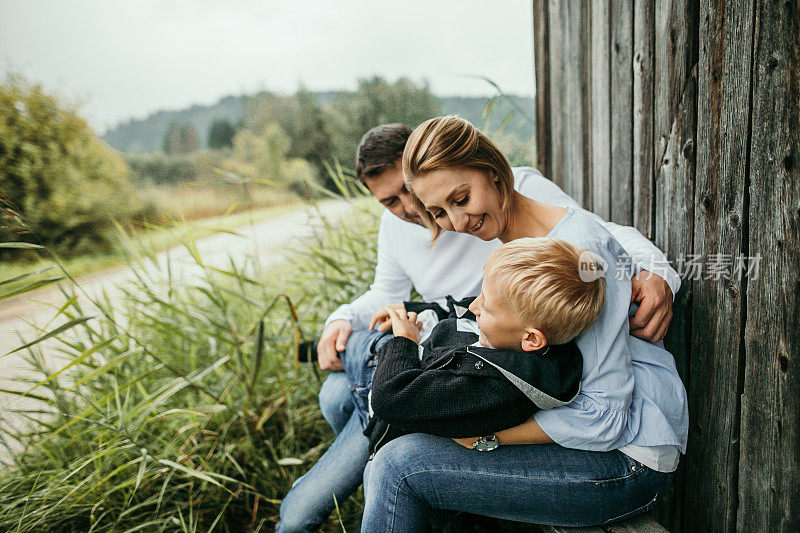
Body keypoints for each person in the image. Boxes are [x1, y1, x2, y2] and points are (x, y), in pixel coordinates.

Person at [276, 124, 681, 531]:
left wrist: (488, 436)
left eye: (460, 198)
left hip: (628, 457)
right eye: (438, 212)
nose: (457, 220)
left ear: (491, 169)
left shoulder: (576, 254)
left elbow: (605, 415)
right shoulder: (524, 245)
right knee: (360, 410)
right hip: (588, 432)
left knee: (397, 466)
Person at [365, 237, 605, 458]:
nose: (475, 305)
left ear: (531, 339)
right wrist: (411, 311)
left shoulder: (493, 388)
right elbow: (458, 313)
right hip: (395, 367)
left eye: (486, 306)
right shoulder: (505, 331)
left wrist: (404, 340)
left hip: (391, 427)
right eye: (481, 292)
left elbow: (389, 399)